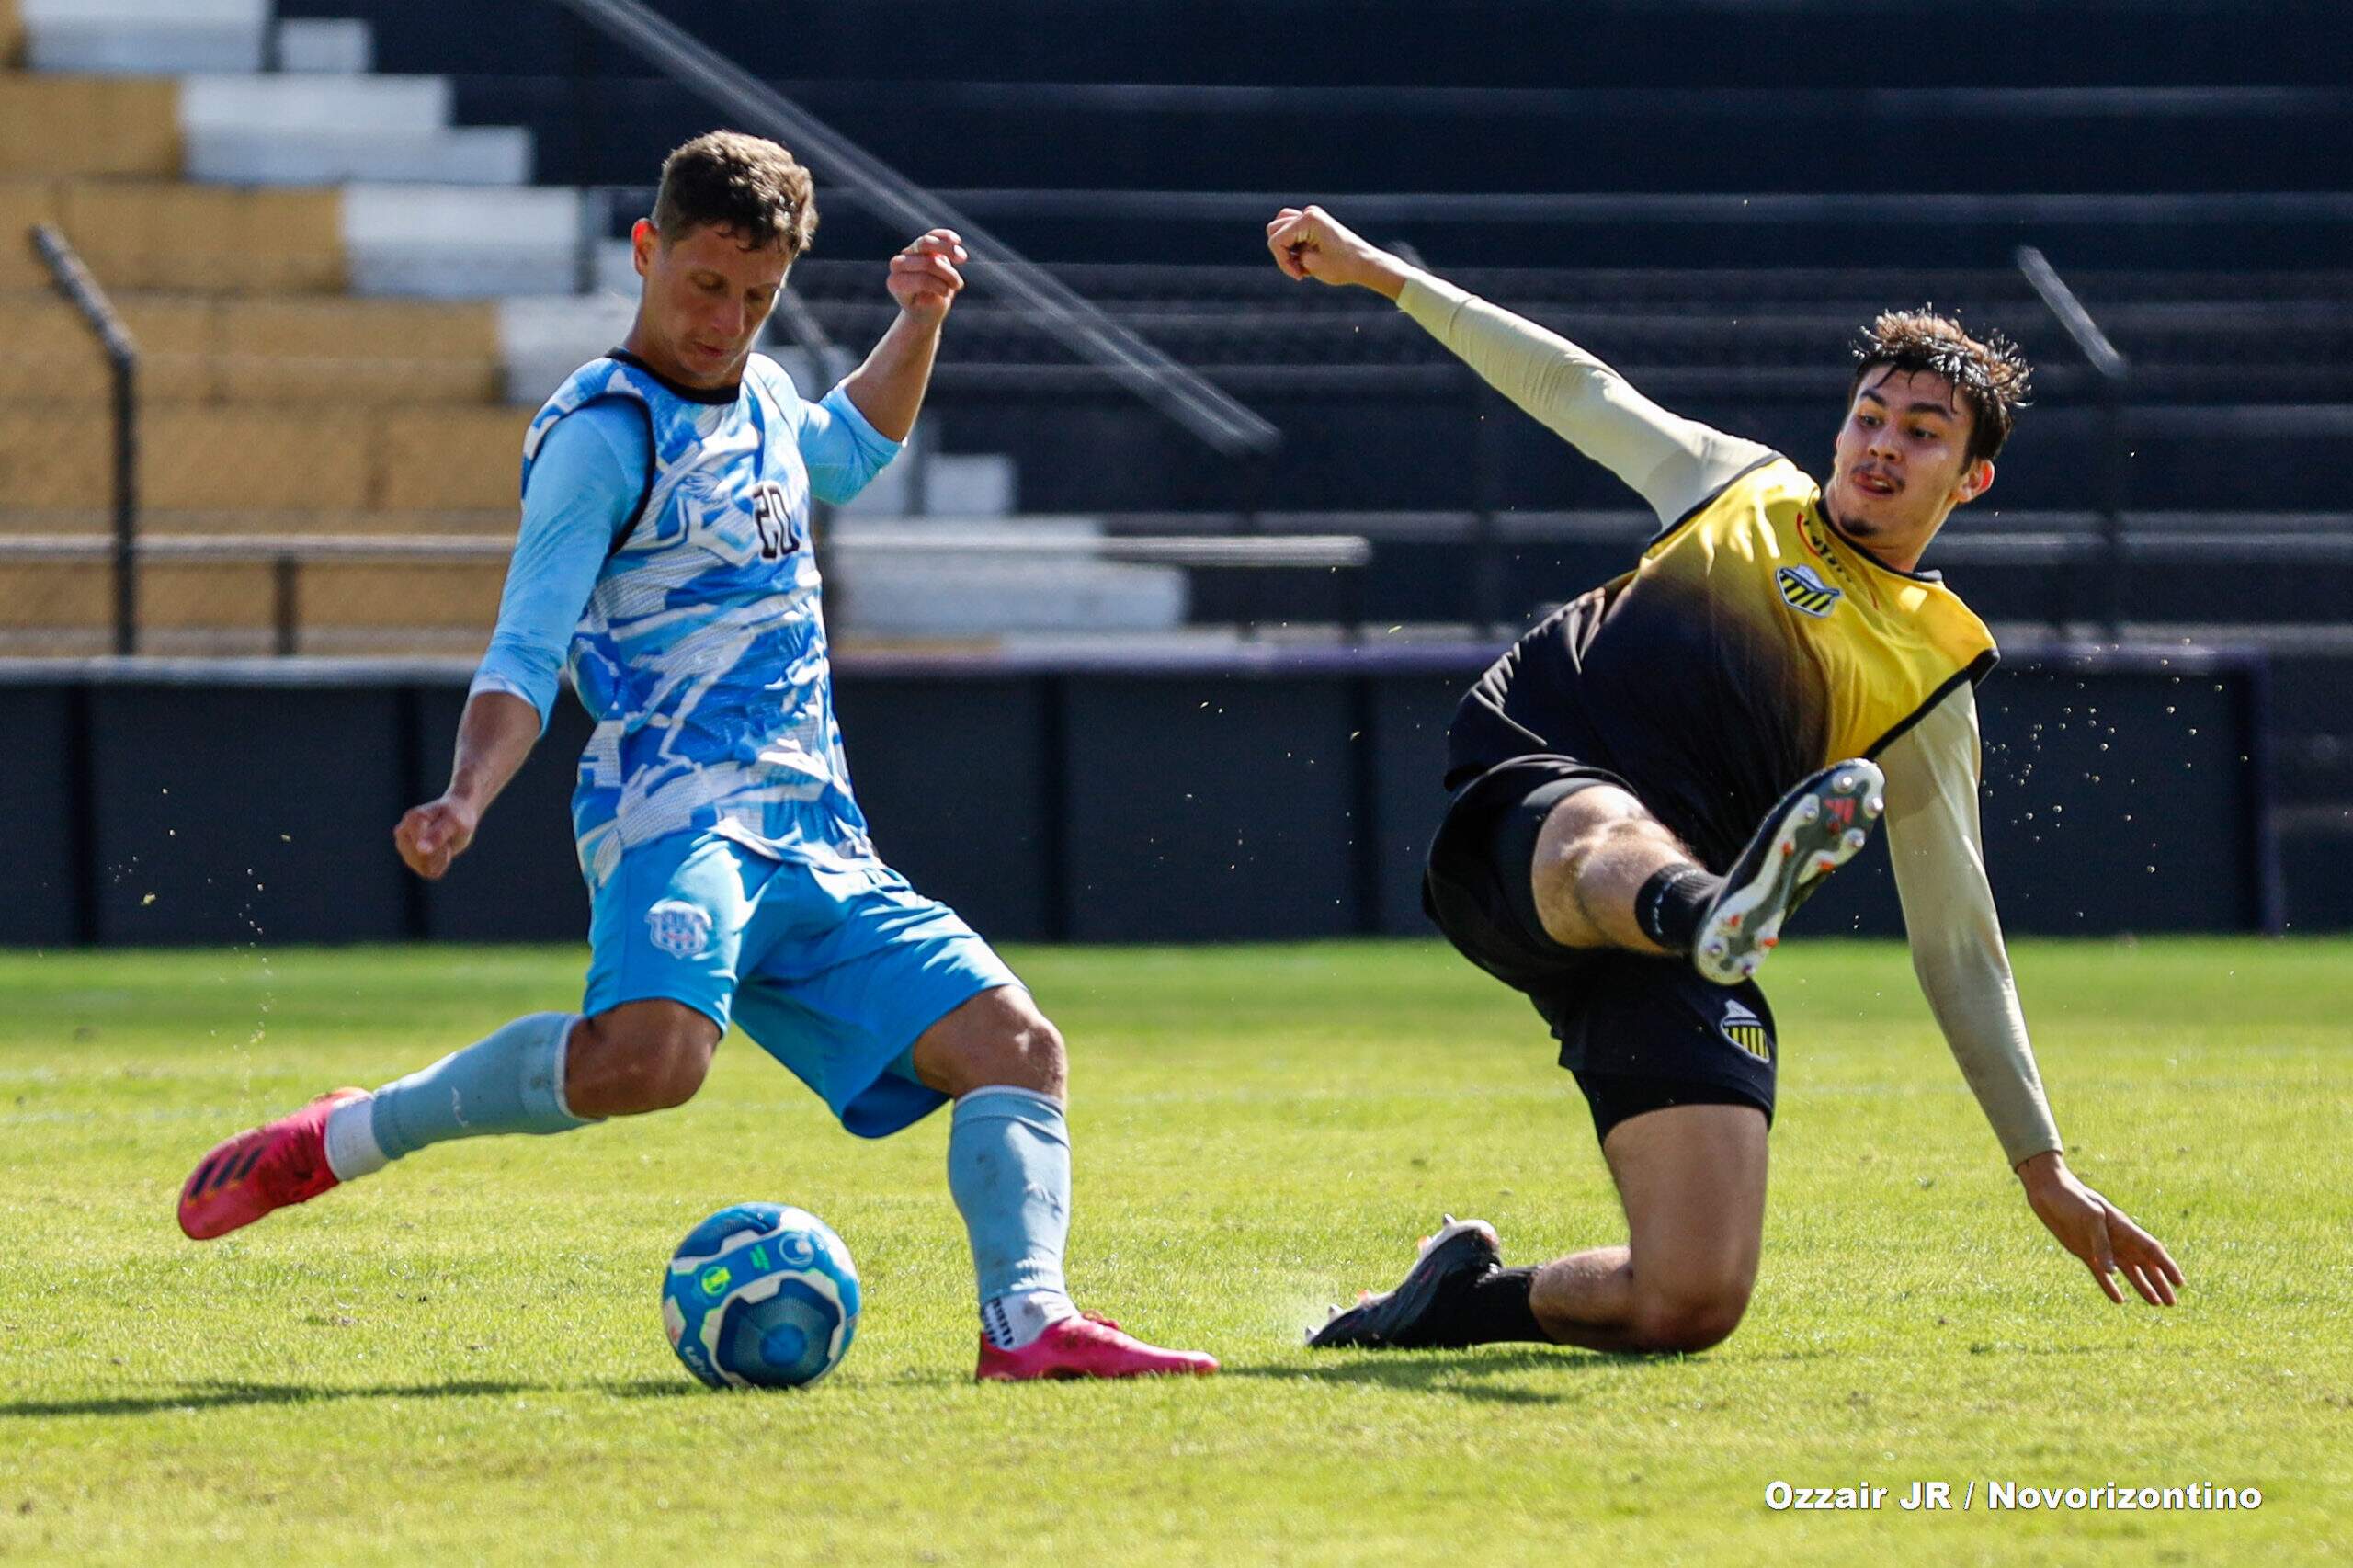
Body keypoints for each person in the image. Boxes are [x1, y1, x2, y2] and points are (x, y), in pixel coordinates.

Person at [174, 131, 1216, 1383]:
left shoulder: (769, 399)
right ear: (648, 250)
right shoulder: (601, 439)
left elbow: (853, 446)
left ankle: (1028, 1327)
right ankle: (343, 1136)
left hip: (817, 833)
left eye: (758, 298)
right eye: (704, 287)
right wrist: (464, 793)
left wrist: (920, 318)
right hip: (677, 819)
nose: (727, 321)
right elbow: (525, 647)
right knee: (652, 1066)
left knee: (1018, 1047)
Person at [1265, 205, 2183, 1356]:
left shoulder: (1929, 676)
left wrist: (2042, 1165)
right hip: (1539, 808)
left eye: (1923, 431)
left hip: (1677, 927)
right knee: (1612, 836)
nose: (1881, 444)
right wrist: (1381, 275)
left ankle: (1446, 1304)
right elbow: (1572, 384)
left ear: (1973, 476)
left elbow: (1960, 941)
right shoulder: (1738, 486)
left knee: (1689, 1299)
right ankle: (1722, 913)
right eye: (1869, 415)